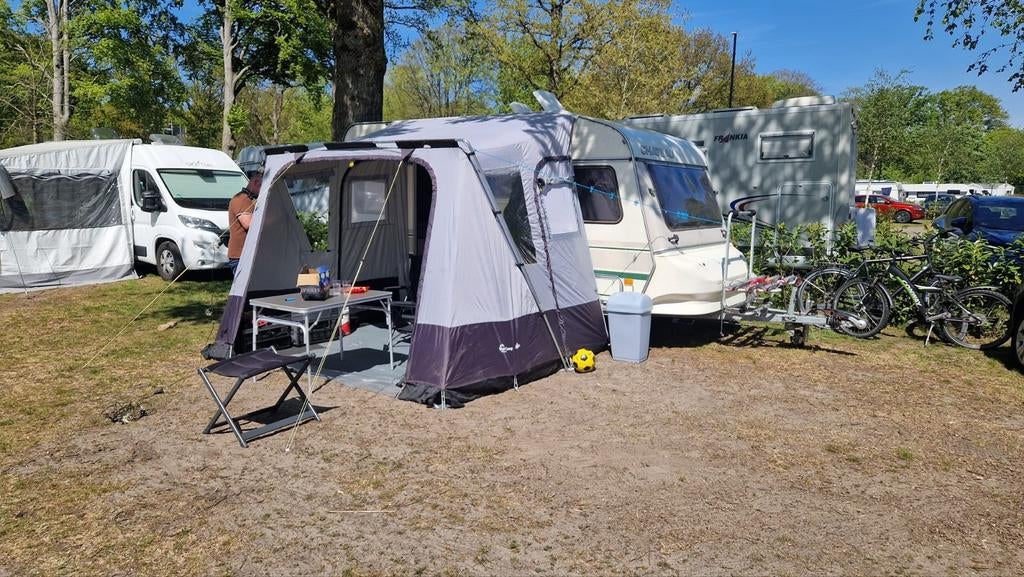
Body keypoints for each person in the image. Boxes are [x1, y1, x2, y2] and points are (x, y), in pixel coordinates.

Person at [227, 170, 263, 275]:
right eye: (262, 186)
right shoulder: (242, 199)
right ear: (255, 183)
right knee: (241, 290)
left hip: (246, 254)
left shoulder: (249, 199)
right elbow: (248, 224)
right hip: (240, 256)